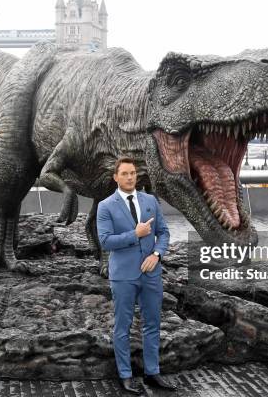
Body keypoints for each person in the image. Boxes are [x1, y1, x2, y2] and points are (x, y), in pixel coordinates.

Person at [96, 157, 176, 395]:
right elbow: (106, 241)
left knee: (153, 324)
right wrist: (136, 233)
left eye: (133, 173)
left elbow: (163, 233)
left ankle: (152, 373)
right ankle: (125, 376)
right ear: (116, 177)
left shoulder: (150, 200)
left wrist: (157, 255)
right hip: (123, 276)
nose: (130, 177)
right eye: (125, 173)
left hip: (151, 274)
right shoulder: (105, 206)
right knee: (123, 326)